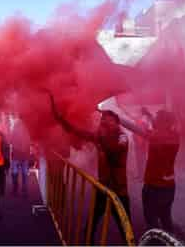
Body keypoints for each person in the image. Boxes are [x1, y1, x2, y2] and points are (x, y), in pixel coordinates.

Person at [49, 94, 130, 243]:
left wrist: (101, 137)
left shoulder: (122, 137)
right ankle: (88, 236)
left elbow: (114, 150)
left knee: (125, 225)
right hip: (104, 186)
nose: (102, 123)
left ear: (117, 123)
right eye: (102, 121)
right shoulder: (100, 136)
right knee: (95, 217)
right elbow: (78, 132)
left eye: (106, 121)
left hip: (119, 189)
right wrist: (62, 121)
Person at [120, 108, 180, 233]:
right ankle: (172, 241)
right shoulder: (174, 135)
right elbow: (161, 127)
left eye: (157, 120)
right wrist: (150, 115)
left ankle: (156, 242)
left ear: (163, 123)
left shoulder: (156, 136)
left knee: (151, 219)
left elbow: (134, 128)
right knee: (165, 218)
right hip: (168, 186)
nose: (154, 122)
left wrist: (115, 116)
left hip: (154, 186)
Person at [10, 119, 31, 196]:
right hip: (24, 155)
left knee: (14, 172)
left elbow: (11, 141)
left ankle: (15, 188)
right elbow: (29, 142)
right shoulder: (27, 130)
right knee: (24, 172)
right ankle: (24, 190)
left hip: (16, 154)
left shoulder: (15, 129)